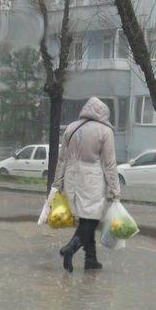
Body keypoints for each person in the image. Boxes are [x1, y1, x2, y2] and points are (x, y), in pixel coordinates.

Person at [53, 97, 121, 273]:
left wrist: (57, 182)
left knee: (85, 218)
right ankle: (70, 248)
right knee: (91, 220)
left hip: (71, 176)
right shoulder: (105, 131)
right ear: (103, 113)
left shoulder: (71, 128)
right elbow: (109, 163)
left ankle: (91, 258)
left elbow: (62, 159)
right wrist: (115, 190)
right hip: (92, 178)